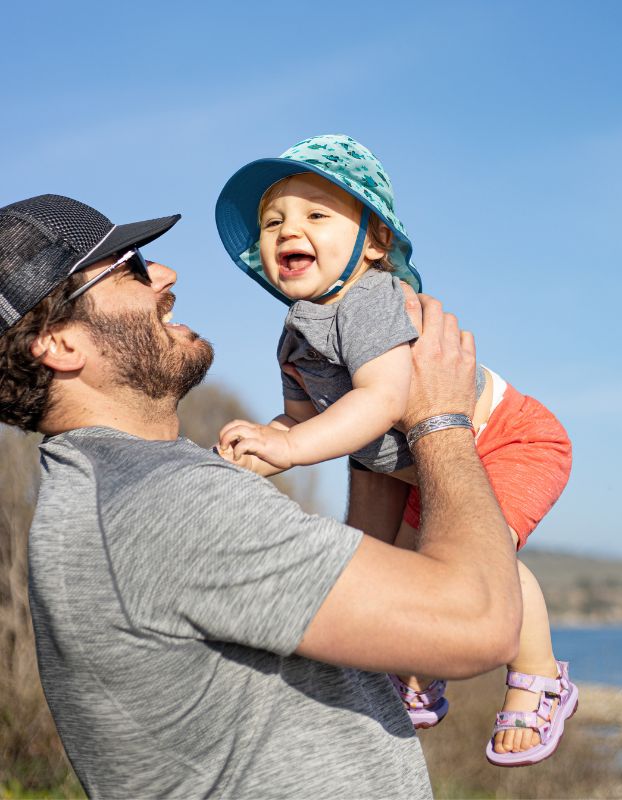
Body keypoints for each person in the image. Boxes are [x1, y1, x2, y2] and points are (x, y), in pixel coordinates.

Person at [0, 193, 523, 799]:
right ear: (61, 344)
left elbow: (367, 598)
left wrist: (357, 406)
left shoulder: (114, 492)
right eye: (133, 268)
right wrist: (439, 419)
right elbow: (478, 622)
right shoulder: (167, 507)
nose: (165, 275)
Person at [214, 134, 577, 766]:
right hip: (425, 466)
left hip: (508, 439)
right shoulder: (296, 334)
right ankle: (421, 667)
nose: (287, 230)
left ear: (375, 243)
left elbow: (383, 400)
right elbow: (307, 419)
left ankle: (540, 679)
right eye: (273, 222)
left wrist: (295, 447)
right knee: (416, 572)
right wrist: (271, 440)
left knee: (481, 555)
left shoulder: (370, 299)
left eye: (316, 215)